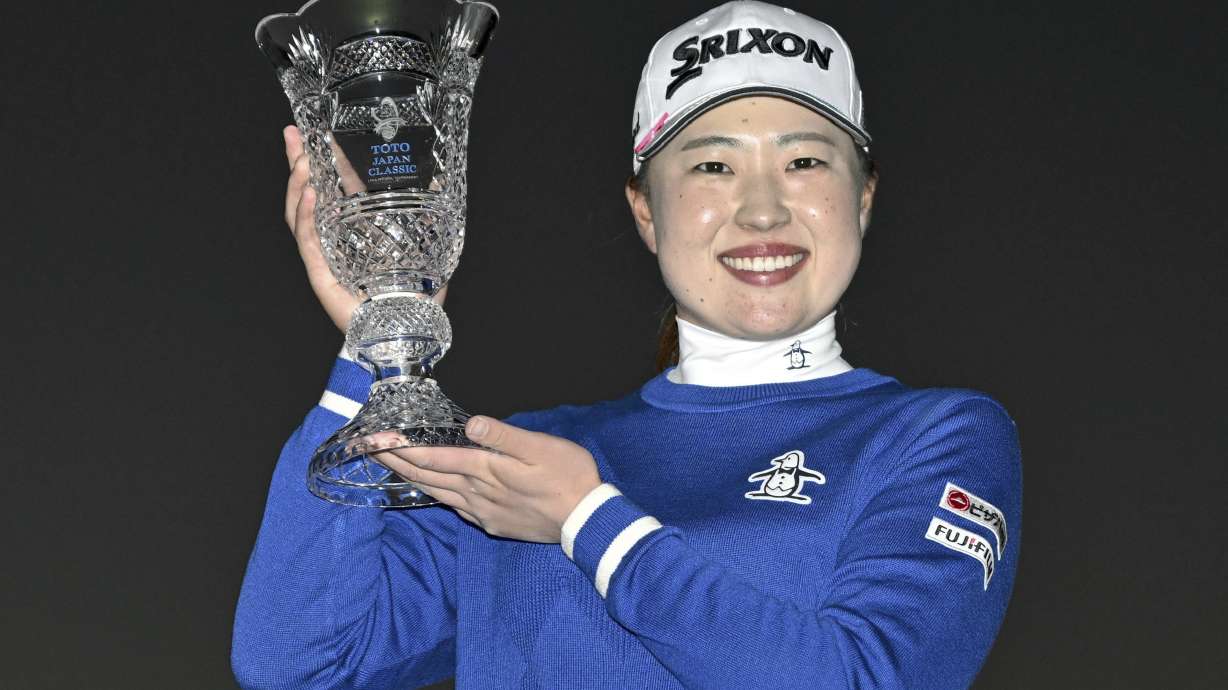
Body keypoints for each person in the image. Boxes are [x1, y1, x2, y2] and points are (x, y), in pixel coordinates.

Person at [232, 2, 1023, 688]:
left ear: (865, 198)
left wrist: (588, 521)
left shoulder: (936, 437)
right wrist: (377, 345)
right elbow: (296, 663)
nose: (761, 211)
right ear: (645, 210)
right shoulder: (525, 461)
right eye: (712, 165)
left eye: (805, 161)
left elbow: (864, 678)